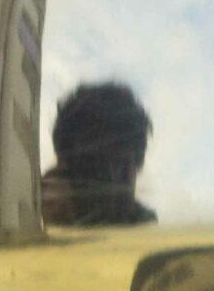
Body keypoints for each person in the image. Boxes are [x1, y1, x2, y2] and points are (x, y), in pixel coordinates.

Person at [40, 81, 156, 227]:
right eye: (95, 163)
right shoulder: (34, 213)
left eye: (122, 164)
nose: (112, 177)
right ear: (63, 168)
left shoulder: (147, 226)